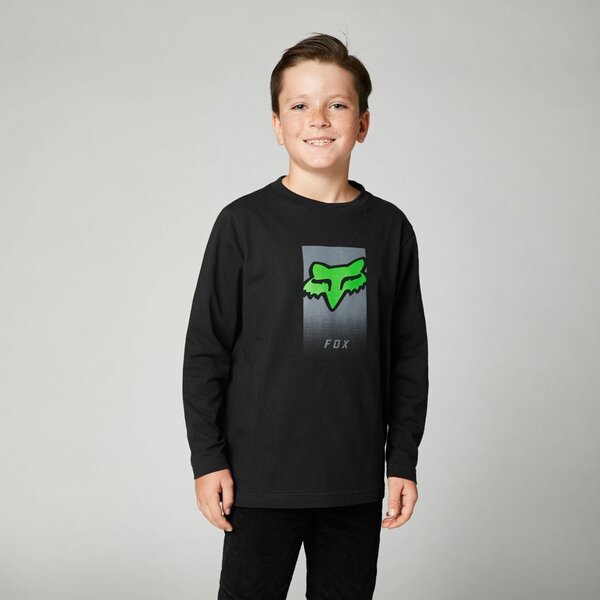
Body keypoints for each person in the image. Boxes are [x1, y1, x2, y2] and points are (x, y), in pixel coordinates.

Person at [182, 32, 429, 600]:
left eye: (337, 104)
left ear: (362, 124)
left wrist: (403, 461)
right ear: (277, 124)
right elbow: (206, 351)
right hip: (258, 480)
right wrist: (208, 459)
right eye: (299, 105)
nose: (318, 118)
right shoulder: (243, 224)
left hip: (354, 481)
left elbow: (408, 357)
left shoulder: (390, 229)